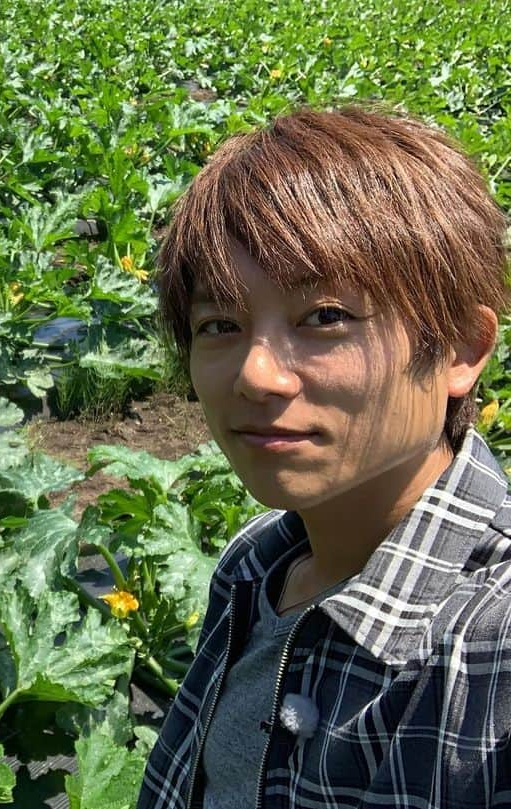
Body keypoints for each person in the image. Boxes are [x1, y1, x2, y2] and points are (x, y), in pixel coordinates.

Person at [136, 106, 511, 808]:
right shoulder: (256, 565)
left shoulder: (492, 650)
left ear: (461, 346)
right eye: (219, 324)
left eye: (325, 317)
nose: (256, 374)